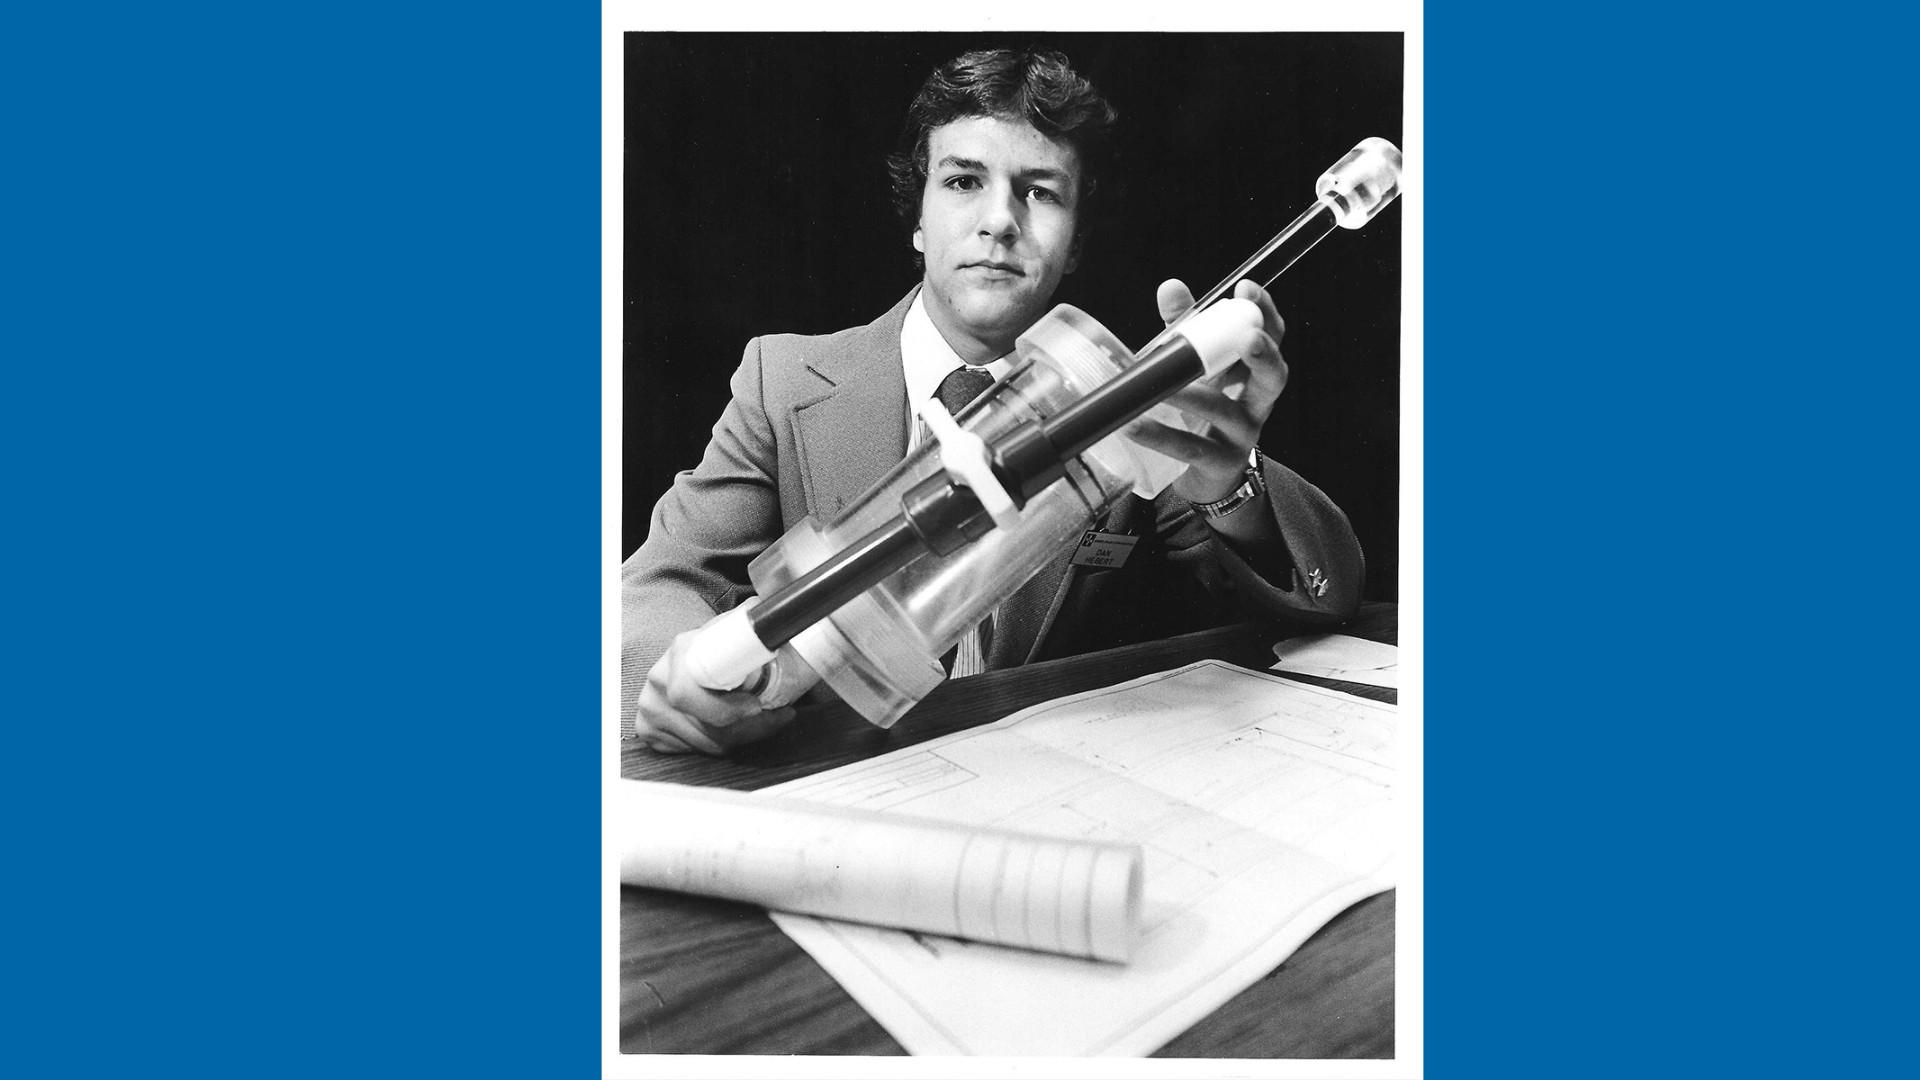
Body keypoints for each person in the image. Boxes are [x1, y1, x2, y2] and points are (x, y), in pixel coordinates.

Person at [623, 47, 1365, 754]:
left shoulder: (1122, 404)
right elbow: (656, 587)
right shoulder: (783, 380)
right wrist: (685, 681)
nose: (1000, 220)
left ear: (1075, 242)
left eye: (1040, 191)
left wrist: (1224, 477)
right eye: (962, 181)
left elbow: (1322, 601)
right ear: (916, 218)